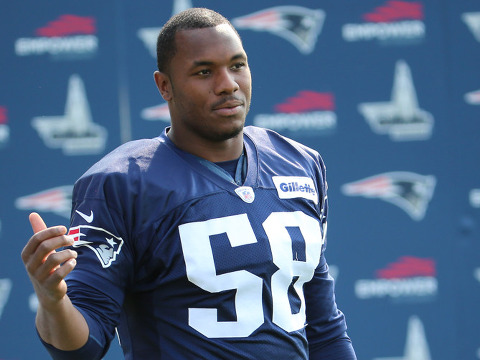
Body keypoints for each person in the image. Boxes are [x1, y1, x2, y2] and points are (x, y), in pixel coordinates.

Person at [21, 7, 357, 360]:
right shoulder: (123, 184)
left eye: (237, 65)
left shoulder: (300, 163)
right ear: (165, 85)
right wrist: (52, 301)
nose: (227, 84)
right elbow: (82, 348)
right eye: (204, 71)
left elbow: (324, 329)